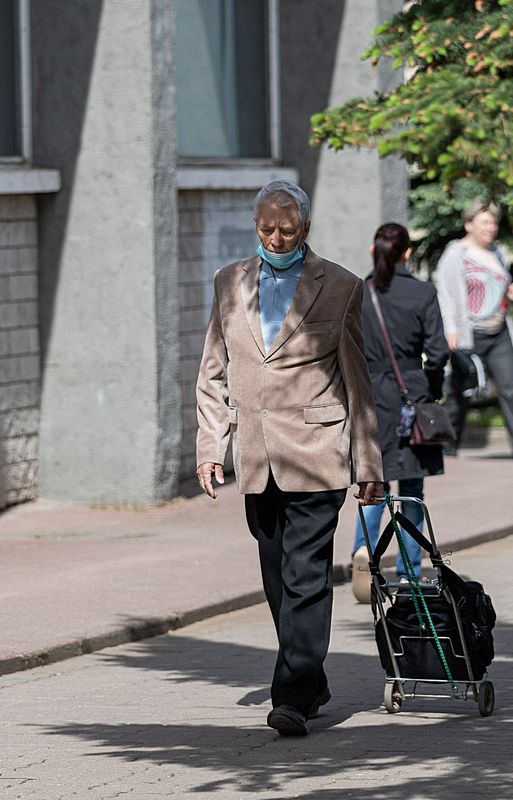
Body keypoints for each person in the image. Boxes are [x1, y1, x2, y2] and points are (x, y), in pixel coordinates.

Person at [195, 180, 385, 736]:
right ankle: (312, 676)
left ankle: (293, 696)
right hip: (255, 455)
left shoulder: (341, 287)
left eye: (287, 229)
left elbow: (359, 384)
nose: (276, 238)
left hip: (317, 452)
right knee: (278, 574)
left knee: (305, 574)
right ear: (256, 224)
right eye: (266, 228)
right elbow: (212, 371)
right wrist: (211, 447)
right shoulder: (229, 282)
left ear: (306, 228)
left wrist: (368, 464)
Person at [350, 223, 450, 603]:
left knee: (373, 481)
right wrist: (431, 386)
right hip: (412, 394)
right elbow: (439, 353)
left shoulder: (359, 292)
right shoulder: (422, 293)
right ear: (407, 253)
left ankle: (365, 552)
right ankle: (410, 571)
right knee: (411, 488)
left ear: (374, 252)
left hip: (370, 395)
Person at [434, 200, 513, 459]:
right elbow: (445, 294)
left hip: (499, 332)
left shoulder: (498, 252)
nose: (490, 228)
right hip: (468, 333)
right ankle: (447, 448)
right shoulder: (456, 253)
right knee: (459, 393)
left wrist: (511, 292)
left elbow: (498, 286)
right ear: (469, 224)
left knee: (510, 389)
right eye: (484, 222)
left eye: (493, 222)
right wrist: (450, 329)